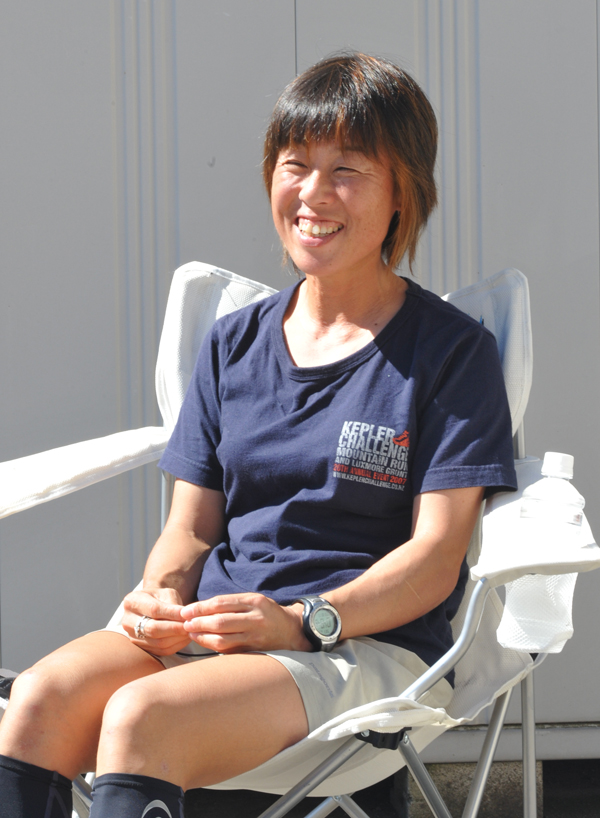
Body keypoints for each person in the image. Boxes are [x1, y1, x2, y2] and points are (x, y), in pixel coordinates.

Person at [0, 53, 516, 818]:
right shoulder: (233, 344)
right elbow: (189, 529)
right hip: (217, 629)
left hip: (359, 646)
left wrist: (306, 620)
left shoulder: (449, 354)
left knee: (141, 716)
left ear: (403, 192)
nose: (312, 192)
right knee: (38, 701)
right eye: (294, 164)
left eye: (347, 169)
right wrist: (160, 593)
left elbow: (437, 558)